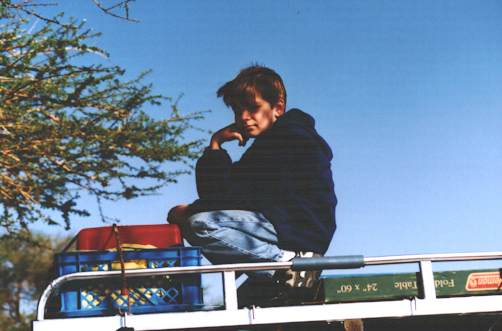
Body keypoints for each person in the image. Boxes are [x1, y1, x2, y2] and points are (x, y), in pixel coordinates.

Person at [167, 65, 337, 292]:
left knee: (201, 224)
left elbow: (238, 197)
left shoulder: (290, 139)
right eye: (238, 111)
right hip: (279, 224)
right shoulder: (270, 143)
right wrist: (215, 145)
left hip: (298, 227)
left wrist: (188, 211)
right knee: (194, 223)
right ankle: (280, 269)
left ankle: (286, 264)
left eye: (253, 108)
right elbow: (221, 193)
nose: (244, 118)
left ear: (277, 108)